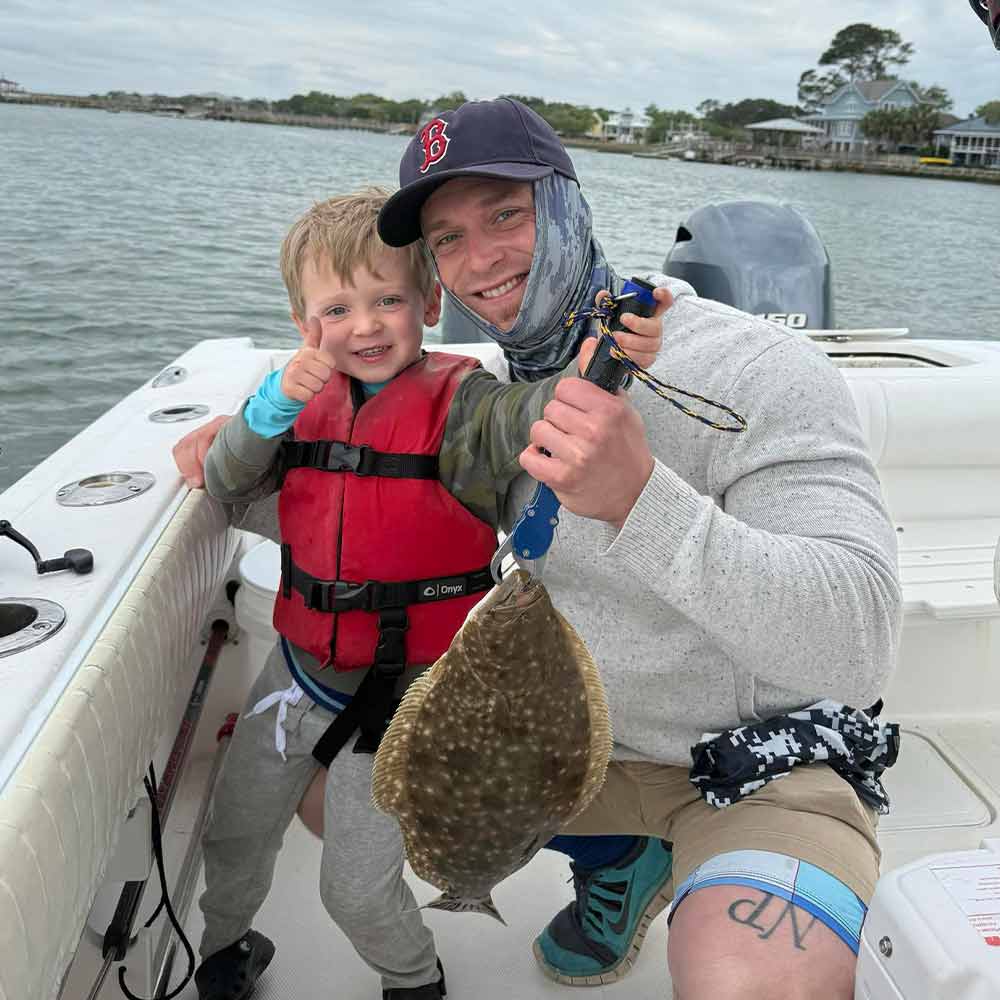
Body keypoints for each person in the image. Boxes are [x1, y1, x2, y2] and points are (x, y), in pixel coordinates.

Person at [371, 98, 902, 999]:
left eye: (506, 215)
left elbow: (854, 643)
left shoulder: (754, 371)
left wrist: (639, 502)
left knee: (752, 982)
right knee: (346, 808)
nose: (481, 261)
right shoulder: (494, 401)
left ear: (570, 207)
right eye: (448, 239)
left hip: (754, 764)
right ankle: (620, 859)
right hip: (572, 748)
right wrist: (249, 438)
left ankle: (648, 856)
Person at [190, 187, 666, 1000]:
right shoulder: (292, 403)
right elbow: (226, 477)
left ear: (432, 302)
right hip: (296, 678)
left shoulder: (464, 407)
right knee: (231, 841)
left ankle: (415, 981)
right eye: (336, 308)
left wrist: (602, 361)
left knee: (354, 887)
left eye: (388, 300)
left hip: (413, 701)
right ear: (302, 318)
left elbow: (535, 412)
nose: (366, 326)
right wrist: (270, 406)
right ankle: (227, 947)